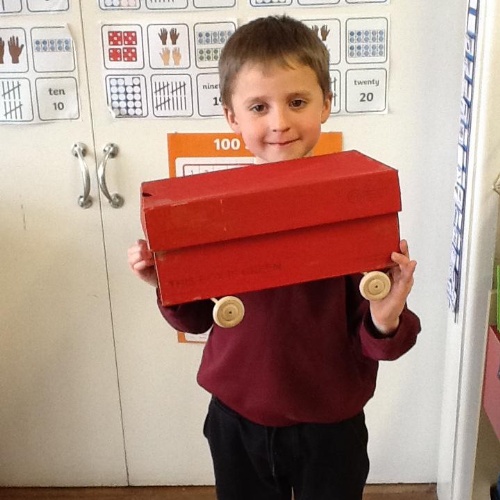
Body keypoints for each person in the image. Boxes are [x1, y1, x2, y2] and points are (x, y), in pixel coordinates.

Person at [128, 15, 421, 500]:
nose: (279, 122)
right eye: (259, 107)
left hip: (330, 426)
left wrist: (385, 318)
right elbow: (198, 318)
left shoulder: (353, 207)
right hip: (237, 420)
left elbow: (383, 344)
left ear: (326, 104)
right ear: (232, 117)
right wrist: (167, 283)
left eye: (297, 102)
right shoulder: (213, 215)